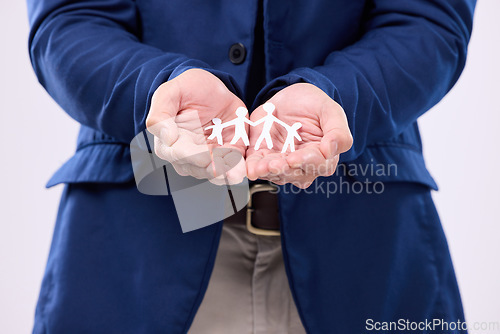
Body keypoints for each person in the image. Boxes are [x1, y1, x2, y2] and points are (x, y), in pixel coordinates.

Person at [27, 0, 476, 333]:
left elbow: (429, 22)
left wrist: (338, 95)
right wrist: (160, 90)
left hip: (366, 254)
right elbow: (69, 21)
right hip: (137, 250)